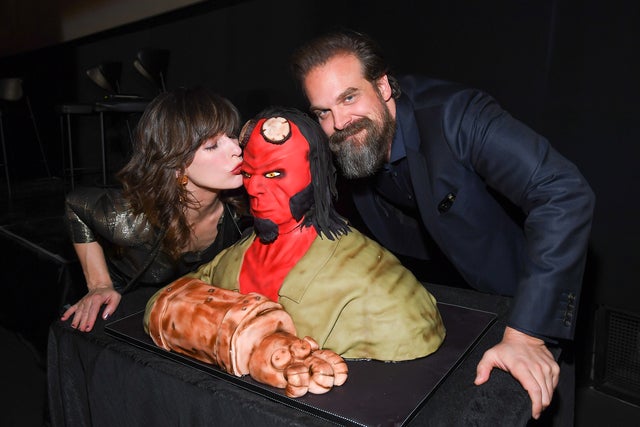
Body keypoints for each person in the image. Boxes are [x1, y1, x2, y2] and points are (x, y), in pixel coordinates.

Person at [290, 29, 595, 423]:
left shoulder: (456, 115)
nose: (339, 122)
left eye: (349, 97)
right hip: (454, 309)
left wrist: (528, 333)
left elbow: (563, 192)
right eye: (323, 112)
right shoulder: (348, 139)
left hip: (532, 296)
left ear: (383, 86)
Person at [143, 107, 445, 381]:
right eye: (249, 174)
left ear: (316, 175)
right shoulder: (233, 257)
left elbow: (413, 329)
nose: (256, 188)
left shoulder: (379, 286)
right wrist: (249, 336)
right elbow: (162, 304)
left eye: (275, 173)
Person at [61, 86, 250, 333]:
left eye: (232, 136)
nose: (236, 149)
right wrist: (99, 284)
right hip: (128, 305)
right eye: (213, 145)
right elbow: (75, 204)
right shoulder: (131, 220)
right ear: (176, 166)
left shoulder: (241, 210)